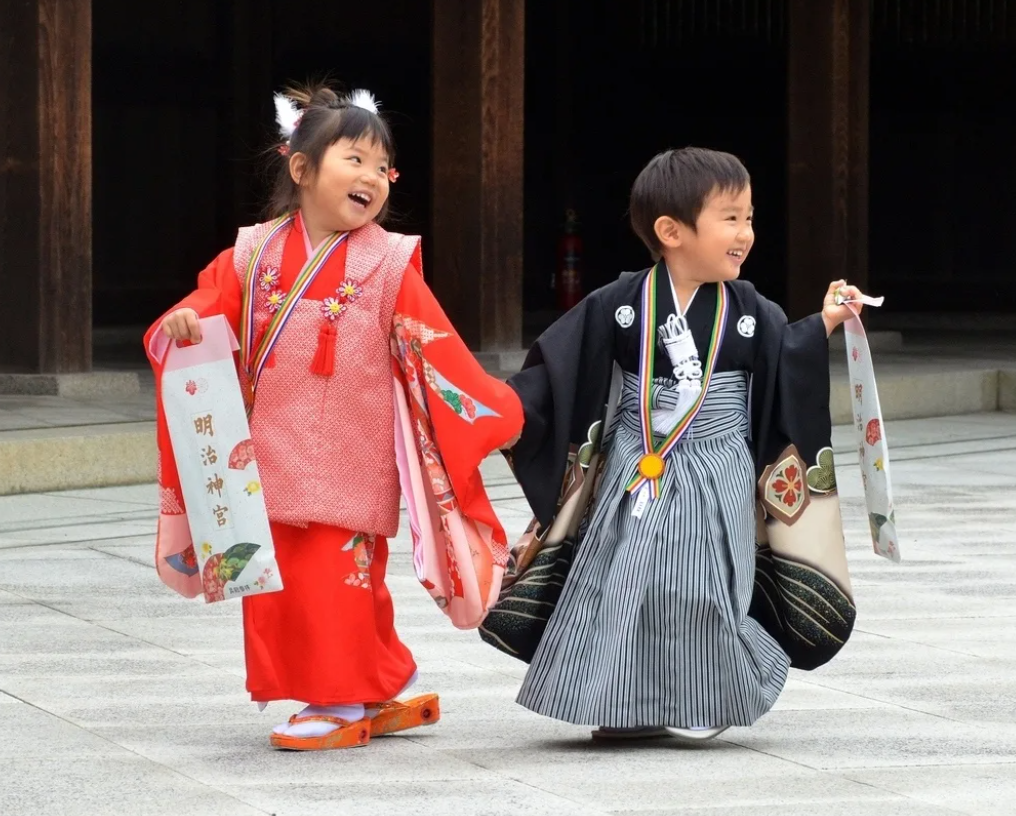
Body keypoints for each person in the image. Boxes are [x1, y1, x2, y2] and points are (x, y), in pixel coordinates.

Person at [145, 83, 522, 751]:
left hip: (352, 453)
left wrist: (492, 406)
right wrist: (185, 323)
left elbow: (434, 346)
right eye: (355, 160)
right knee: (278, 581)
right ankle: (373, 681)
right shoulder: (252, 253)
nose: (372, 178)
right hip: (269, 452)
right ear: (301, 169)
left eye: (383, 167)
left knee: (337, 580)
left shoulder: (389, 260)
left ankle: (341, 698)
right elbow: (208, 306)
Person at [482, 147, 863, 742]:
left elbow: (787, 356)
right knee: (623, 579)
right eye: (731, 218)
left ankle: (705, 694)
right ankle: (622, 701)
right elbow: (555, 367)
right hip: (638, 463)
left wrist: (826, 323)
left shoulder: (750, 311)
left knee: (702, 584)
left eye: (750, 218)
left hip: (717, 463)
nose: (747, 233)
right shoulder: (621, 303)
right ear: (671, 231)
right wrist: (496, 410)